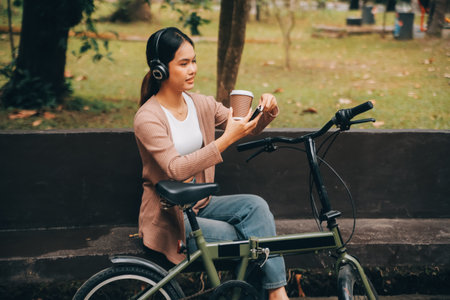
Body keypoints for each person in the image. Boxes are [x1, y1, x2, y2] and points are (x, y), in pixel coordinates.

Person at [133, 27, 289, 300]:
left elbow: (244, 127)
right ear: (159, 69)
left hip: (202, 204)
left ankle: (277, 292)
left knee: (256, 208)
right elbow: (176, 168)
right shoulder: (148, 118)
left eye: (194, 60)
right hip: (172, 217)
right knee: (246, 236)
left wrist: (267, 111)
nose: (192, 69)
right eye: (183, 63)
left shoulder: (201, 104)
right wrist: (225, 141)